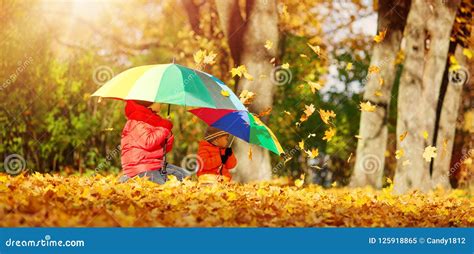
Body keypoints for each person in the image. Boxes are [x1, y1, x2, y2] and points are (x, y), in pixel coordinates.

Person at [119, 100, 189, 184]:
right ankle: (127, 179)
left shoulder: (155, 120)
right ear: (149, 103)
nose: (161, 104)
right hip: (140, 167)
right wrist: (164, 128)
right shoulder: (136, 120)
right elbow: (148, 142)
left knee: (184, 175)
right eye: (160, 102)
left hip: (156, 164)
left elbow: (165, 149)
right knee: (163, 187)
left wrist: (168, 133)